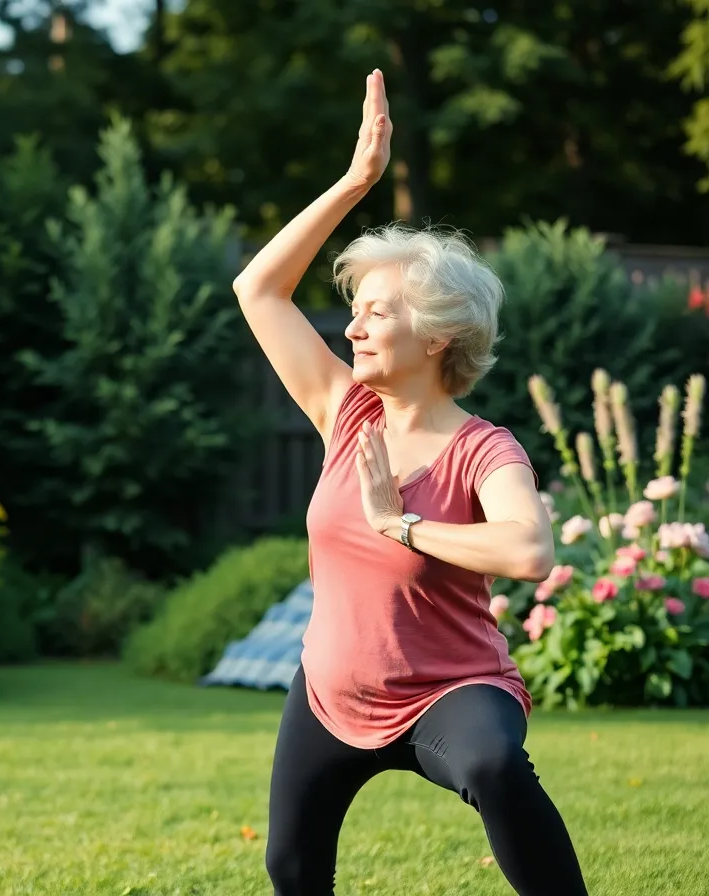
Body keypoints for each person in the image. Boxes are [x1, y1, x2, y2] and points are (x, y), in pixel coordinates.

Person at [232, 70, 589, 896]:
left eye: (377, 312)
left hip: (449, 692)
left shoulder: (483, 449)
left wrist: (401, 525)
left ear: (435, 337)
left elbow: (529, 551)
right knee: (289, 866)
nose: (353, 327)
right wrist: (356, 181)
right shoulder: (344, 411)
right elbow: (258, 289)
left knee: (495, 765)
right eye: (355, 309)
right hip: (330, 693)